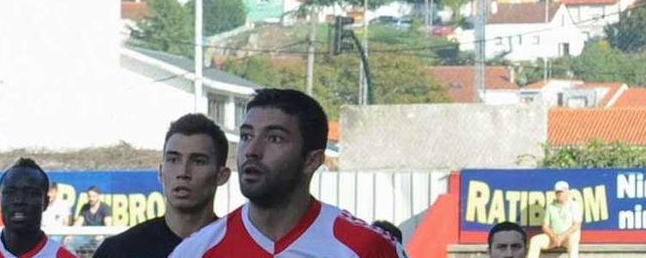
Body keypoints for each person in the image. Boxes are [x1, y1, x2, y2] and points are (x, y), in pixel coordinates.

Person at [170, 88, 406, 257]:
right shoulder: (195, 251)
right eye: (246, 136)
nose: (252, 150)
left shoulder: (368, 248)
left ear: (312, 161)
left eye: (275, 138)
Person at [93, 114, 231, 257]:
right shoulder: (118, 251)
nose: (183, 172)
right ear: (160, 172)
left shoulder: (241, 249)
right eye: (173, 159)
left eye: (198, 161)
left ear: (222, 175)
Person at [0, 158, 77, 257]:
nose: (19, 200)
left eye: (30, 193)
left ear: (45, 202)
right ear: (0, 200)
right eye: (10, 193)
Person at [527, 181, 582, 258]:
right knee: (535, 240)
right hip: (554, 238)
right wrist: (554, 237)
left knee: (573, 241)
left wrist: (562, 237)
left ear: (567, 191)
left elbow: (576, 225)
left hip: (568, 237)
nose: (559, 194)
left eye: (561, 192)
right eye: (557, 192)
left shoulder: (574, 205)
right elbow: (545, 226)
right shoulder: (551, 206)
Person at [65, 186, 112, 253]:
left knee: (101, 245)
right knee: (69, 244)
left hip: (101, 236)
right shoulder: (85, 207)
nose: (91, 198)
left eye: (93, 196)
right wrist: (70, 235)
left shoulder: (105, 208)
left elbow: (108, 226)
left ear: (99, 196)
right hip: (86, 236)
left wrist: (102, 235)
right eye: (89, 196)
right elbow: (78, 223)